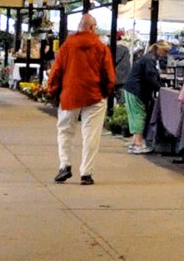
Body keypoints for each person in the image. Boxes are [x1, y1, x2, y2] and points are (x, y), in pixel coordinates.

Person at [46, 13, 115, 185]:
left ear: (79, 26)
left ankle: (65, 165)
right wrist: (104, 92)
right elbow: (109, 76)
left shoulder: (67, 45)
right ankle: (86, 173)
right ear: (92, 27)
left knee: (65, 131)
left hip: (70, 94)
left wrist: (52, 90)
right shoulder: (101, 47)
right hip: (94, 96)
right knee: (91, 135)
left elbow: (56, 71)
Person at [121, 41, 168, 155]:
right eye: (165, 51)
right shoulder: (150, 60)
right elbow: (151, 77)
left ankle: (135, 141)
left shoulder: (148, 58)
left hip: (131, 89)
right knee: (139, 115)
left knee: (135, 115)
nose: (166, 54)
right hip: (136, 90)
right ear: (158, 48)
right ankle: (138, 144)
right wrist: (161, 88)